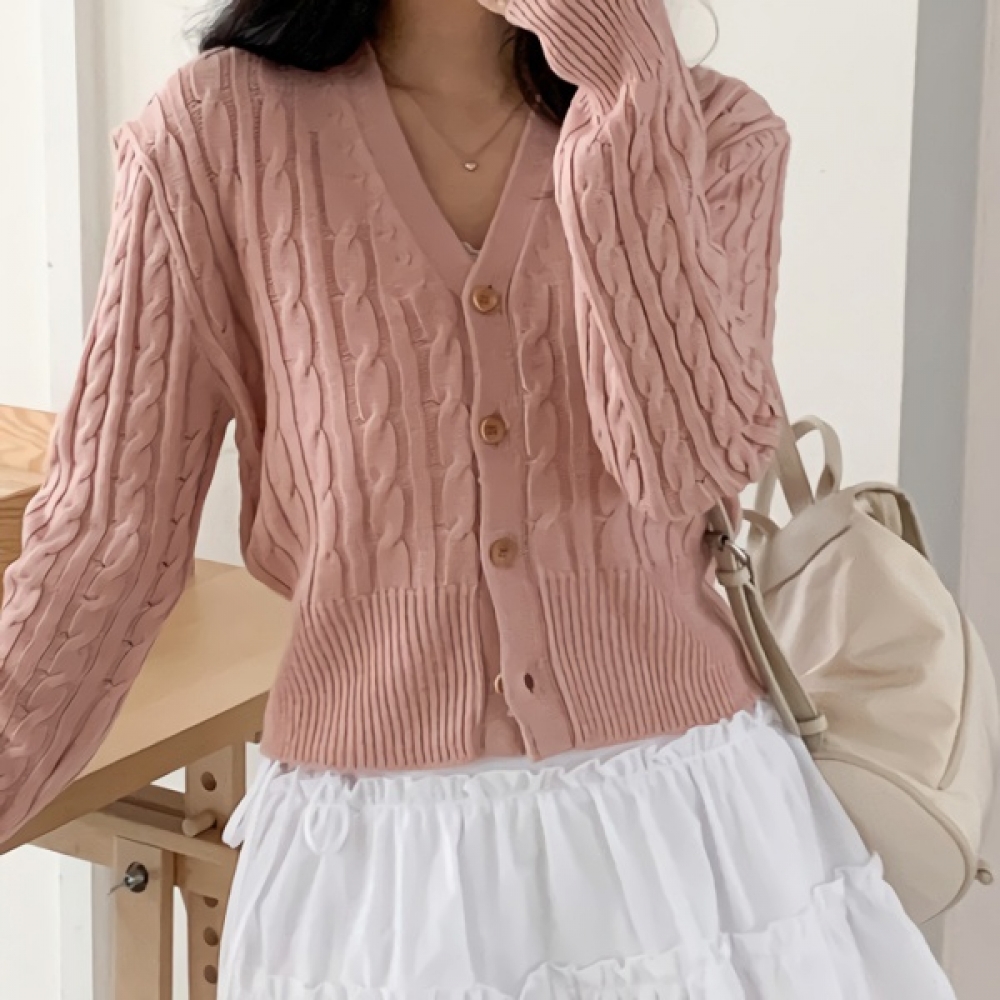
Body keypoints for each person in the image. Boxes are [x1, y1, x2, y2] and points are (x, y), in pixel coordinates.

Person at [0, 0, 958, 996]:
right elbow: (103, 541)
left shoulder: (714, 133)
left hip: (689, 847)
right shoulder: (215, 135)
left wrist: (627, 93)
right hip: (377, 871)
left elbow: (683, 473)